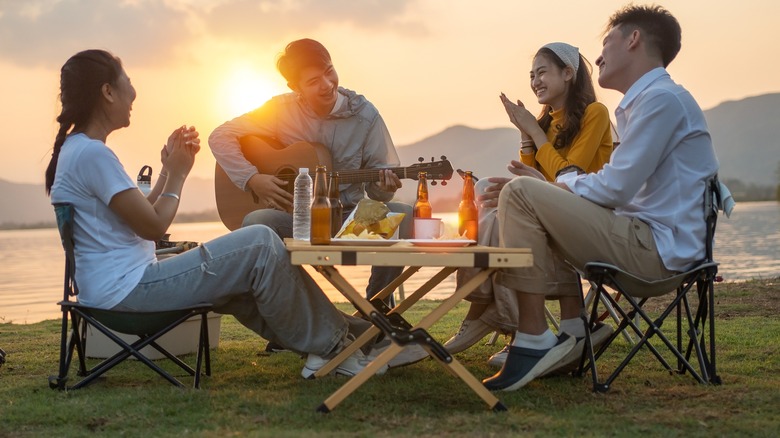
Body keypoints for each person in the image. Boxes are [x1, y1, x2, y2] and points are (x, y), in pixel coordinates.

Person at [46, 49, 386, 380]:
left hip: (115, 293)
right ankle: (336, 347)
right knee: (260, 242)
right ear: (107, 92)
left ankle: (357, 338)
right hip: (129, 295)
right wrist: (178, 175)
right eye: (127, 81)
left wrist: (166, 170)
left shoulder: (80, 151)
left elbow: (139, 214)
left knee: (245, 283)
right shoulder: (93, 156)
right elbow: (153, 227)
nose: (133, 92)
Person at [482, 4, 719, 392]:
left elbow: (614, 188)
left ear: (634, 39)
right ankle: (568, 330)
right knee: (522, 196)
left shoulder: (662, 101)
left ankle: (533, 338)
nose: (598, 55)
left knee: (522, 192)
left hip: (655, 254)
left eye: (607, 41)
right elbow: (613, 188)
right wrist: (554, 187)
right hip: (646, 241)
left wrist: (554, 189)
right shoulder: (649, 103)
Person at [441, 42, 614, 369]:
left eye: (542, 72)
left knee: (508, 203)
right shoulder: (546, 123)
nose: (535, 81)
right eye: (531, 75)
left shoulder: (595, 113)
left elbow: (569, 176)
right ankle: (506, 315)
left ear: (568, 73)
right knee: (485, 191)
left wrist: (533, 131)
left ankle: (504, 319)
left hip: (589, 214)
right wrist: (527, 135)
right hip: (549, 210)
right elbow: (528, 175)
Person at [208, 38, 411, 306]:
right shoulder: (281, 110)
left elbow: (378, 193)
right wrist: (253, 179)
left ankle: (376, 309)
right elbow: (220, 136)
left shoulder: (365, 116)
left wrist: (385, 186)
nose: (327, 85)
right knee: (257, 221)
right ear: (296, 87)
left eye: (329, 71)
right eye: (314, 81)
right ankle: (295, 315)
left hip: (346, 219)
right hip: (296, 220)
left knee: (402, 214)